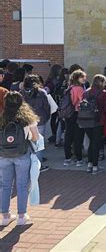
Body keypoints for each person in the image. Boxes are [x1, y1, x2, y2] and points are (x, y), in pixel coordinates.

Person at [0, 91, 40, 226]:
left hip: (4, 155)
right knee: (22, 185)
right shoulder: (27, 118)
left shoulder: (1, 117)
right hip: (22, 154)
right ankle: (21, 216)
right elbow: (35, 137)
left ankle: (5, 216)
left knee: (5, 185)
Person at [20, 75, 51, 172]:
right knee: (38, 143)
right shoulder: (41, 93)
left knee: (28, 143)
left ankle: (29, 164)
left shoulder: (22, 93)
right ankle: (38, 165)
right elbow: (47, 107)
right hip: (39, 119)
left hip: (26, 121)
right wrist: (46, 117)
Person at [82, 74, 106, 174]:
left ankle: (89, 164)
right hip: (98, 120)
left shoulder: (86, 92)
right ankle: (95, 166)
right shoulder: (104, 93)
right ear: (101, 82)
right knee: (96, 143)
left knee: (91, 142)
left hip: (86, 120)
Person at [63, 70, 87, 166]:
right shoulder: (79, 89)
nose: (84, 79)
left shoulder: (69, 88)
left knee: (68, 136)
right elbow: (83, 102)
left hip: (68, 114)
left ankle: (67, 158)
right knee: (78, 136)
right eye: (82, 77)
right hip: (77, 113)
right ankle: (79, 159)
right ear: (77, 78)